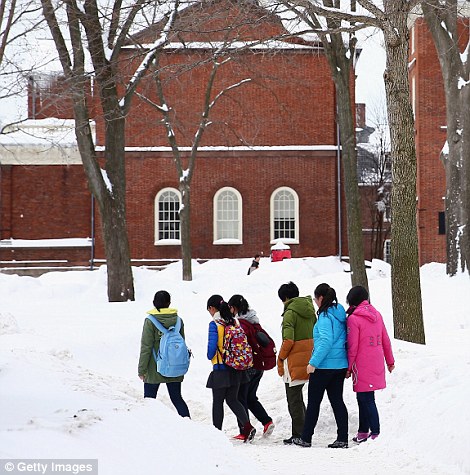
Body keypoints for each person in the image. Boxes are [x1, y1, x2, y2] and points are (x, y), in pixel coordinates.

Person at [293, 283, 349, 449]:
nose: (316, 302)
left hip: (324, 367)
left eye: (316, 299)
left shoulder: (325, 317)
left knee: (314, 403)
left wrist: (313, 363)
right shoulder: (340, 314)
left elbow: (325, 341)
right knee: (337, 401)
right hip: (339, 366)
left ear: (321, 298)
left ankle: (306, 438)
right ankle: (343, 438)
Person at [345, 285, 395, 443]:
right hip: (376, 361)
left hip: (362, 363)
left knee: (366, 399)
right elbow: (385, 339)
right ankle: (363, 431)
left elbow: (353, 347)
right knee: (364, 397)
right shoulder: (377, 314)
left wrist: (348, 368)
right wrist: (390, 361)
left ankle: (375, 432)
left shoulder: (354, 319)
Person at [206, 294, 256, 442]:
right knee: (233, 399)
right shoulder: (233, 321)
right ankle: (247, 427)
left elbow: (211, 351)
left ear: (212, 308)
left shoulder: (215, 324)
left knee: (218, 402)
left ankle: (216, 434)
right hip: (235, 367)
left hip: (221, 368)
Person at [228, 294, 275, 439]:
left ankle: (245, 431)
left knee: (240, 397)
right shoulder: (254, 321)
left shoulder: (241, 324)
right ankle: (266, 421)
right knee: (250, 397)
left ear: (234, 308)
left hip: (249, 366)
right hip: (259, 365)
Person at [138, 290, 190, 417]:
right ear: (169, 303)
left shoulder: (150, 321)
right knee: (177, 398)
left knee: (149, 400)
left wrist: (142, 369)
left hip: (154, 366)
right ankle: (188, 424)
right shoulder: (178, 320)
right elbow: (181, 344)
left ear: (154, 303)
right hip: (174, 365)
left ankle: (149, 426)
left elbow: (146, 347)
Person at [277, 281, 316, 445]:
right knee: (298, 398)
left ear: (285, 298)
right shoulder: (310, 310)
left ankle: (299, 433)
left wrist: (280, 358)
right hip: (309, 358)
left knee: (294, 399)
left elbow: (289, 340)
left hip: (294, 360)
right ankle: (304, 431)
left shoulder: (290, 313)